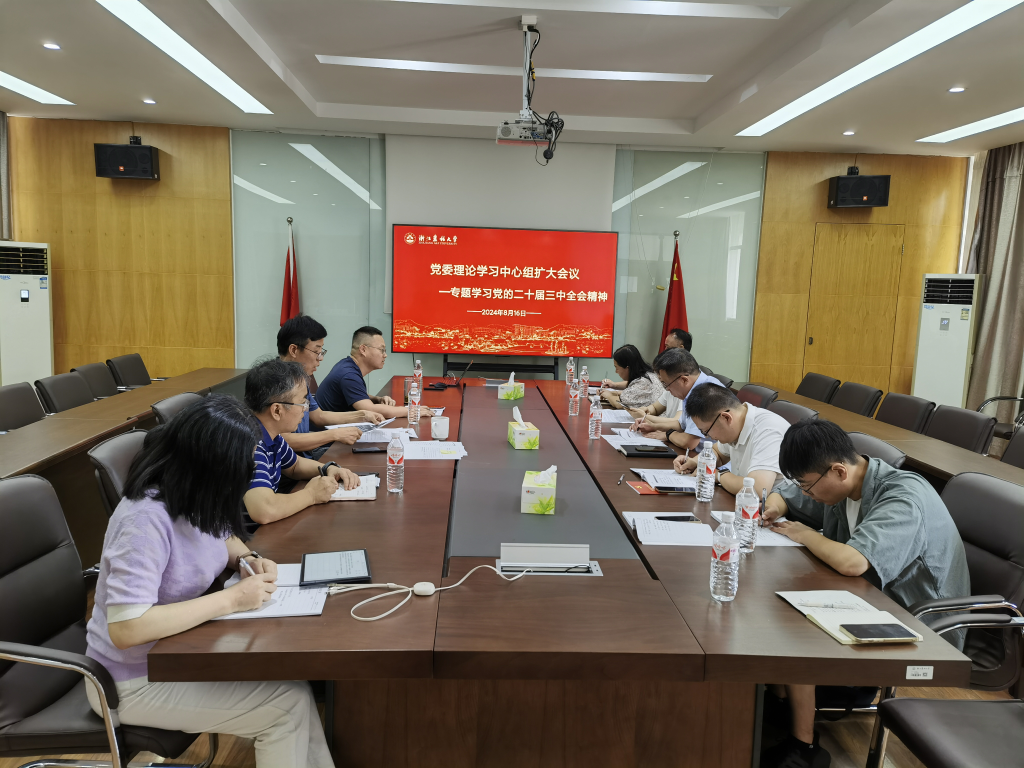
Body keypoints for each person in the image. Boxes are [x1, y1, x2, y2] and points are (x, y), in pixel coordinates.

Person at [84, 395, 335, 768]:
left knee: (294, 691)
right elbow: (126, 627)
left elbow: (219, 533)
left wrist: (247, 558)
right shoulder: (144, 520)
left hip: (178, 653)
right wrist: (232, 600)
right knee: (284, 709)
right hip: (129, 680)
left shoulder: (190, 491)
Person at [759, 419, 970, 768]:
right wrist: (775, 508)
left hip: (921, 623)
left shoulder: (903, 496)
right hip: (872, 598)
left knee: (796, 631)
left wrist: (804, 534)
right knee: (777, 599)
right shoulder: (842, 483)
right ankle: (782, 702)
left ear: (839, 471)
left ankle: (804, 746)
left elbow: (852, 562)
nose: (806, 494)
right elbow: (786, 495)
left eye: (808, 486)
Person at [243, 359, 360, 526]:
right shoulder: (250, 444)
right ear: (277, 410)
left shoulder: (271, 435)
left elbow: (295, 465)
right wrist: (311, 494)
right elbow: (264, 510)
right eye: (302, 402)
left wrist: (329, 468)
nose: (305, 409)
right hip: (245, 535)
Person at [277, 314, 384, 460]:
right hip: (291, 463)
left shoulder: (299, 378)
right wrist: (334, 434)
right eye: (316, 352)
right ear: (294, 350)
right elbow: (281, 440)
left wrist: (362, 415)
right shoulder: (274, 384)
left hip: (305, 456)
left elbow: (319, 416)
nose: (320, 358)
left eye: (321, 352)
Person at [672, 383, 789, 499]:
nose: (707, 436)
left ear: (726, 418)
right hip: (743, 502)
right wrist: (695, 462)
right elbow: (717, 453)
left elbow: (755, 490)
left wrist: (717, 475)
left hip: (773, 506)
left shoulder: (768, 431)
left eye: (706, 431)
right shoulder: (737, 424)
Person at [316, 326, 434, 419]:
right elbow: (370, 410)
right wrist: (413, 410)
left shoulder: (346, 365)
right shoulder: (348, 375)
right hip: (327, 440)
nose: (385, 355)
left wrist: (377, 399)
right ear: (363, 349)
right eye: (381, 350)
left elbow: (354, 394)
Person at [632, 348, 724, 451]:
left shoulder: (706, 393)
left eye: (666, 384)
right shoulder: (692, 389)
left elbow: (688, 442)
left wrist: (667, 435)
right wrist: (654, 426)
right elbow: (681, 424)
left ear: (684, 380)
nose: (667, 390)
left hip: (707, 458)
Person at [598, 344, 664, 410]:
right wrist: (614, 386)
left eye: (617, 368)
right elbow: (632, 388)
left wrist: (608, 395)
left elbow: (619, 404)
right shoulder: (649, 374)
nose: (616, 371)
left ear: (627, 368)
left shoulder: (643, 383)